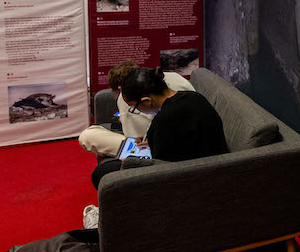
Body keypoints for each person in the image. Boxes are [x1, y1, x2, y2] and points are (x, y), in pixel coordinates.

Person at [83, 67, 228, 227]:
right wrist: (152, 140)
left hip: (185, 179)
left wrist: (132, 162)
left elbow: (158, 170)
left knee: (102, 173)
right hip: (206, 168)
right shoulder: (195, 98)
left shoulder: (163, 121)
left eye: (134, 107)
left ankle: (109, 221)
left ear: (146, 101)